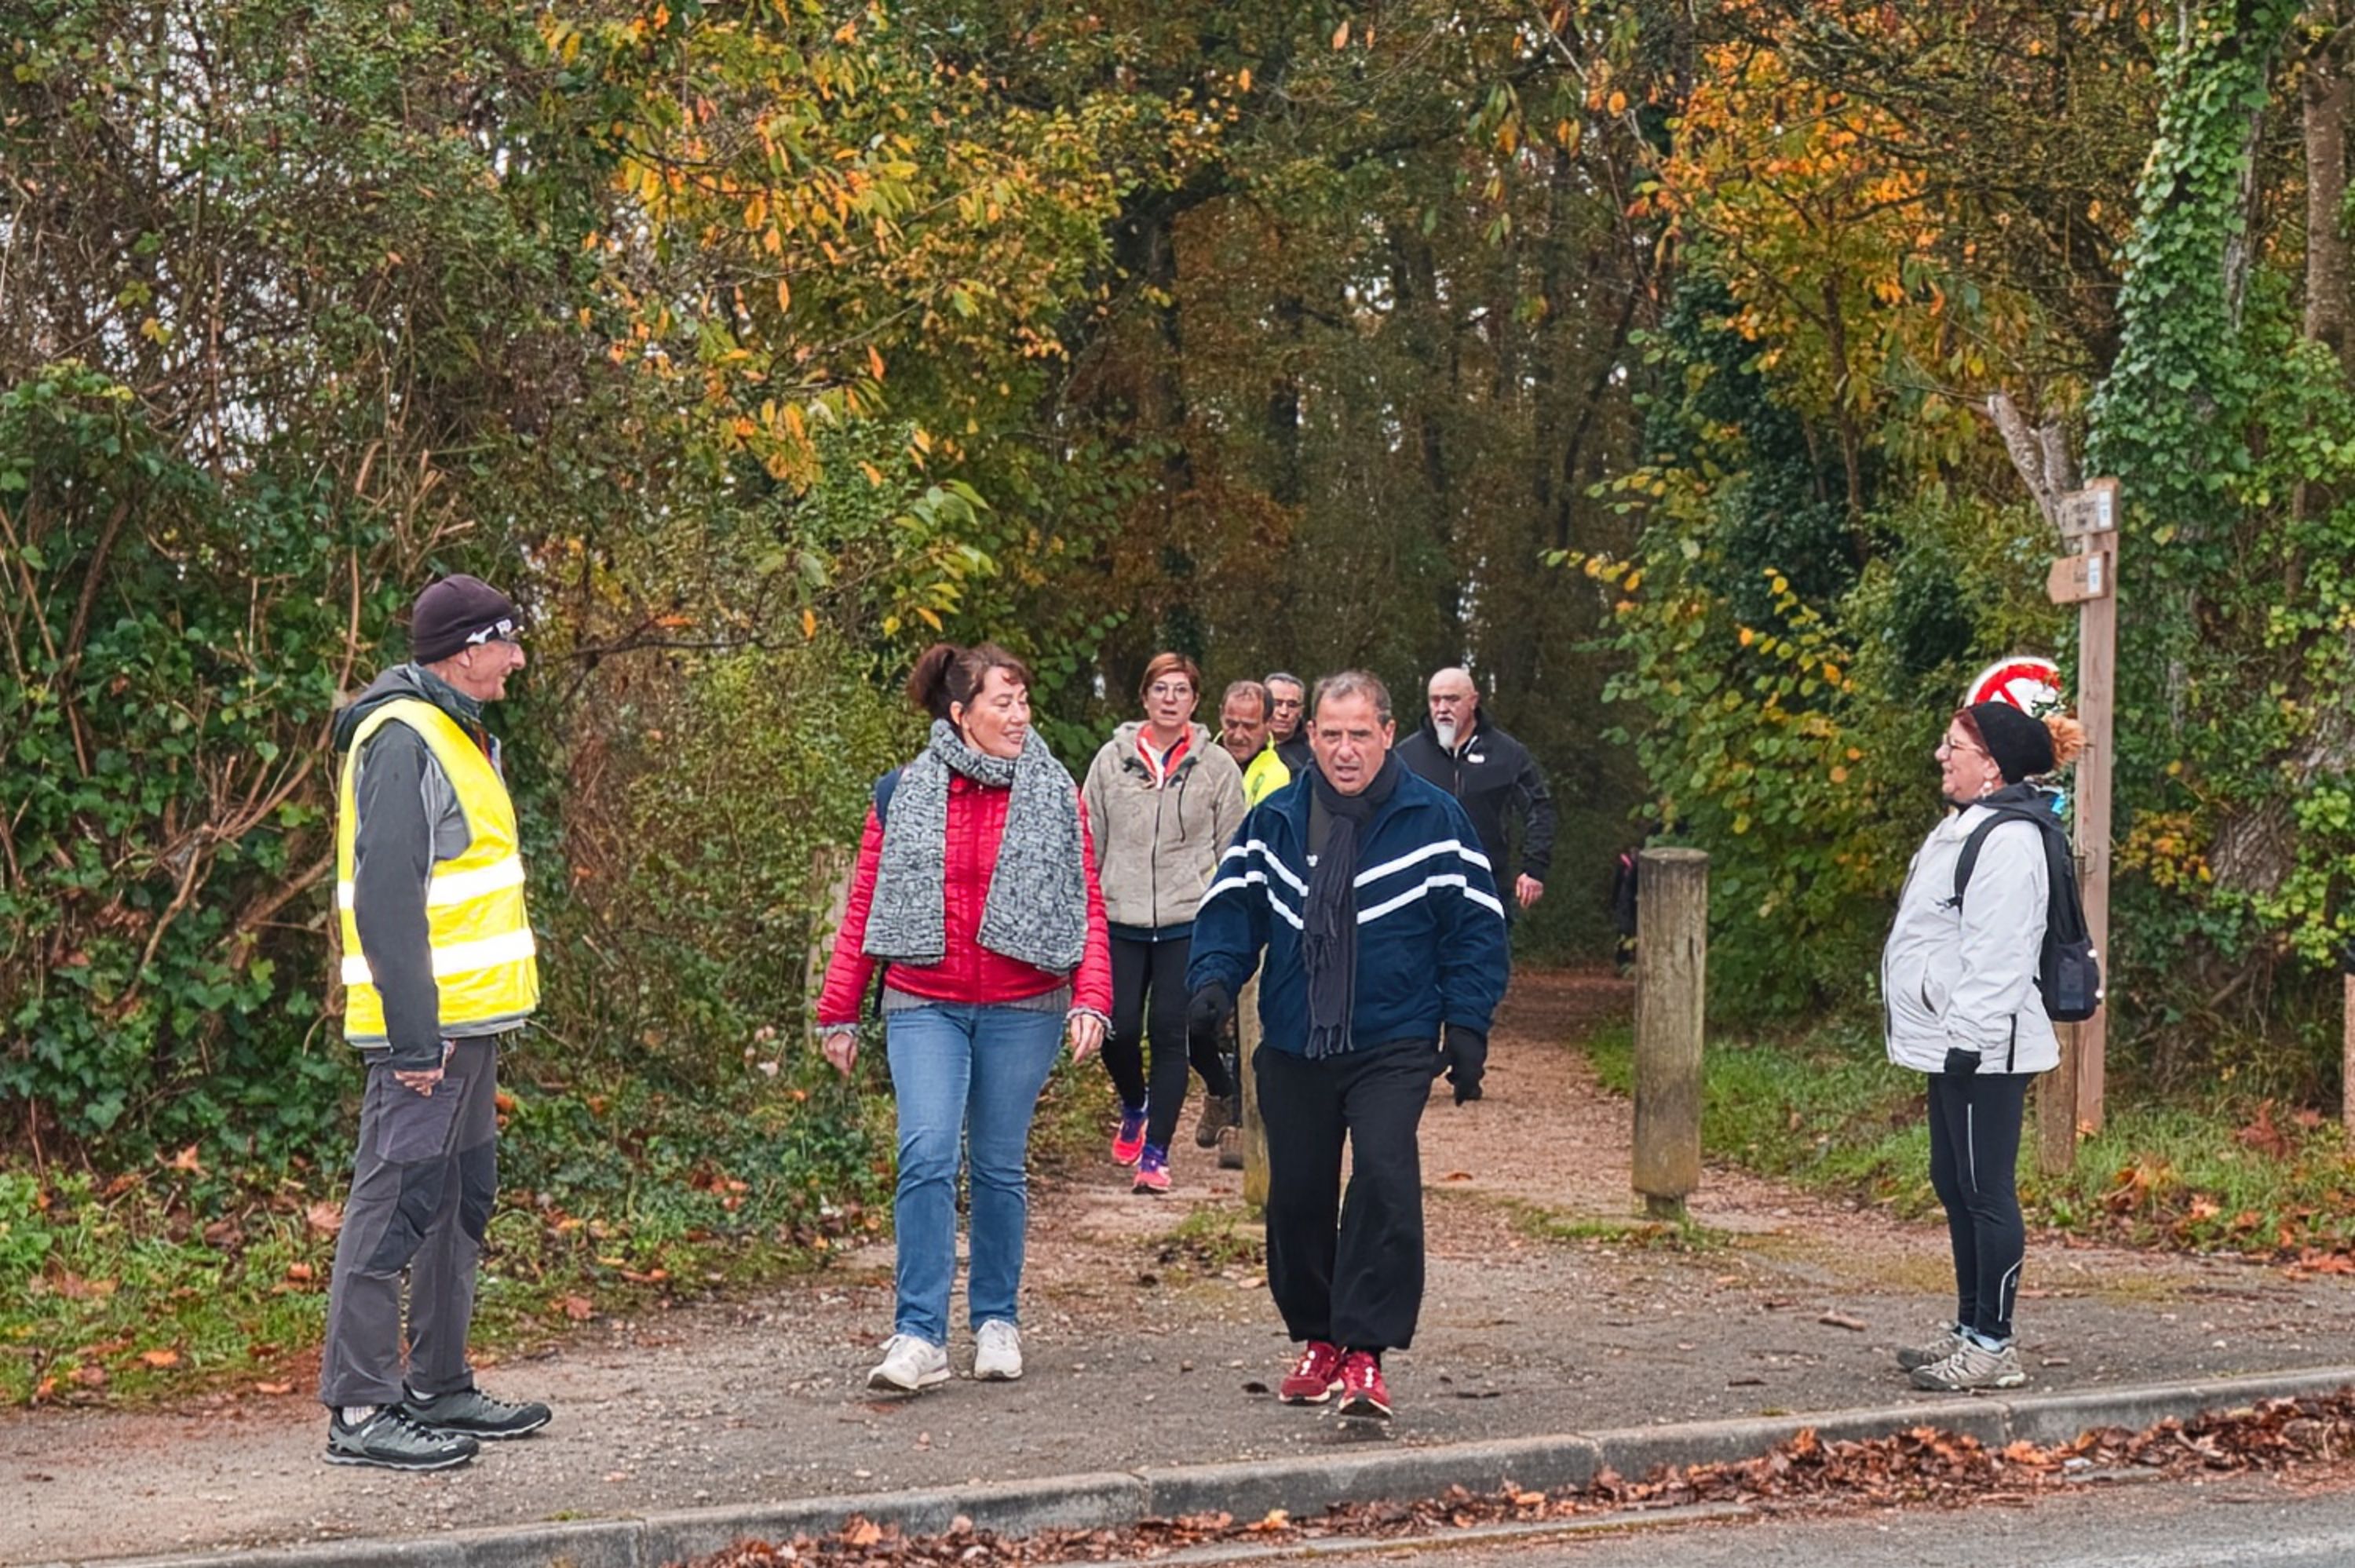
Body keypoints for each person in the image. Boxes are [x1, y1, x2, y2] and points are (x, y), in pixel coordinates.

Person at [1187, 671, 1507, 1424]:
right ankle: (1319, 1338)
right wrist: (1212, 983)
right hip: (1296, 1038)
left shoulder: (1435, 820)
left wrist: (1467, 1024)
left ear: (1388, 734)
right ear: (1311, 737)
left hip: (1394, 1037)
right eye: (1330, 735)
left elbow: (1475, 926)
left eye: (1359, 734)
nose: (1344, 750)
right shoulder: (1275, 820)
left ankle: (1366, 1351)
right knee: (1297, 1194)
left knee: (1385, 1178)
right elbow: (1232, 908)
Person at [816, 644, 1112, 1393]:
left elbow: (1085, 897)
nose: (1019, 717)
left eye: (1023, 701)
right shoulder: (902, 793)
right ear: (960, 713)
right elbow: (865, 902)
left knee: (999, 1165)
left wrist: (1092, 996)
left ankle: (996, 1321)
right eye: (1002, 703)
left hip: (1025, 1003)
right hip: (925, 998)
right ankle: (918, 1334)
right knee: (926, 1153)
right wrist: (839, 1008)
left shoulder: (1056, 791)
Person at [320, 574, 553, 1471]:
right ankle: (361, 1409)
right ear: (465, 652)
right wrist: (415, 1037)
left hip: (470, 1026)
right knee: (392, 1208)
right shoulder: (402, 739)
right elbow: (386, 899)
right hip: (427, 1034)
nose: (517, 658)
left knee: (458, 1202)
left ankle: (439, 1384)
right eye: (507, 642)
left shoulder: (458, 731)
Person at [1881, 700, 2083, 1392]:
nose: (1942, 756)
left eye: (1954, 747)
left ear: (1992, 766)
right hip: (1954, 1038)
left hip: (1986, 1045)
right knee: (1954, 1182)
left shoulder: (2009, 841)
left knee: (1985, 1190)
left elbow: (2001, 952)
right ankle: (1969, 1327)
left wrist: (1968, 1039)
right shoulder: (1967, 826)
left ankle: (1993, 1346)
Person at [1083, 654, 1248, 1192]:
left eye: (1181, 690)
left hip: (1187, 920)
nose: (1170, 699)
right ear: (1145, 697)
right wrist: (1088, 905)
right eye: (1161, 688)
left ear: (1196, 702)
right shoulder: (1111, 762)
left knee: (1170, 1034)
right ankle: (1135, 1104)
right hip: (1120, 915)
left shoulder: (1217, 768)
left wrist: (1226, 916)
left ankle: (1155, 1155)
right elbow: (1090, 839)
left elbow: (1233, 850)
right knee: (1119, 1029)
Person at [1395, 667, 1557, 923]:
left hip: (1487, 889)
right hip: (1420, 894)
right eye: (1435, 700)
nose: (1442, 708)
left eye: (1452, 699)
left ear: (1473, 701)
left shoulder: (1506, 753)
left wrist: (1534, 868)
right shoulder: (1405, 757)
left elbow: (1539, 807)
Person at [1216, 679, 1291, 805]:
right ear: (1221, 715)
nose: (1238, 736)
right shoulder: (1198, 760)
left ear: (1269, 723)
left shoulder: (1276, 775)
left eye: (1249, 727)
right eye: (1231, 724)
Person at [1265, 671, 1313, 777]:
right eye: (1277, 703)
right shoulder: (1245, 747)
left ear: (1301, 711)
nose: (1284, 712)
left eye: (1292, 705)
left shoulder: (1313, 755)